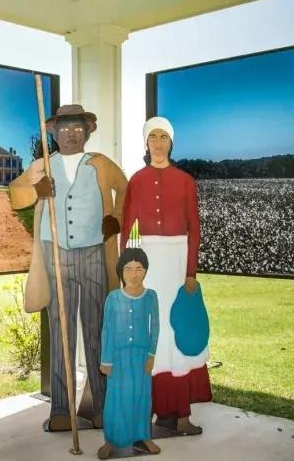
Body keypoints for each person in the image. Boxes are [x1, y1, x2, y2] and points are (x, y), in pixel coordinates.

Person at [9, 104, 128, 431]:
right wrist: (37, 190)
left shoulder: (100, 164)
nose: (71, 133)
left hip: (92, 253)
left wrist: (114, 218)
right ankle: (61, 411)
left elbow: (126, 188)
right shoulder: (43, 165)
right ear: (54, 132)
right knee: (61, 333)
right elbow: (15, 194)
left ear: (87, 132)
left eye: (77, 127)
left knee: (96, 329)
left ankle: (101, 407)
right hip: (54, 254)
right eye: (64, 128)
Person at [119, 116, 211, 435]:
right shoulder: (137, 180)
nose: (158, 142)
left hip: (177, 260)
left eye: (164, 137)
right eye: (153, 137)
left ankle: (181, 415)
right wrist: (126, 273)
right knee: (152, 332)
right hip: (149, 261)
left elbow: (195, 229)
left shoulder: (185, 180)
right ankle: (148, 412)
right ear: (146, 143)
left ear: (171, 143)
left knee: (179, 331)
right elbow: (125, 228)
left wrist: (190, 272)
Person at [97, 248, 161, 459]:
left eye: (139, 269)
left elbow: (156, 327)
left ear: (145, 271)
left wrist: (151, 354)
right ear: (121, 272)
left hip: (142, 357)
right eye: (128, 269)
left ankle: (143, 435)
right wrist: (106, 360)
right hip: (118, 358)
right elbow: (106, 330)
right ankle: (111, 439)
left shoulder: (151, 297)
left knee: (142, 397)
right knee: (116, 397)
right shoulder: (113, 298)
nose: (134, 274)